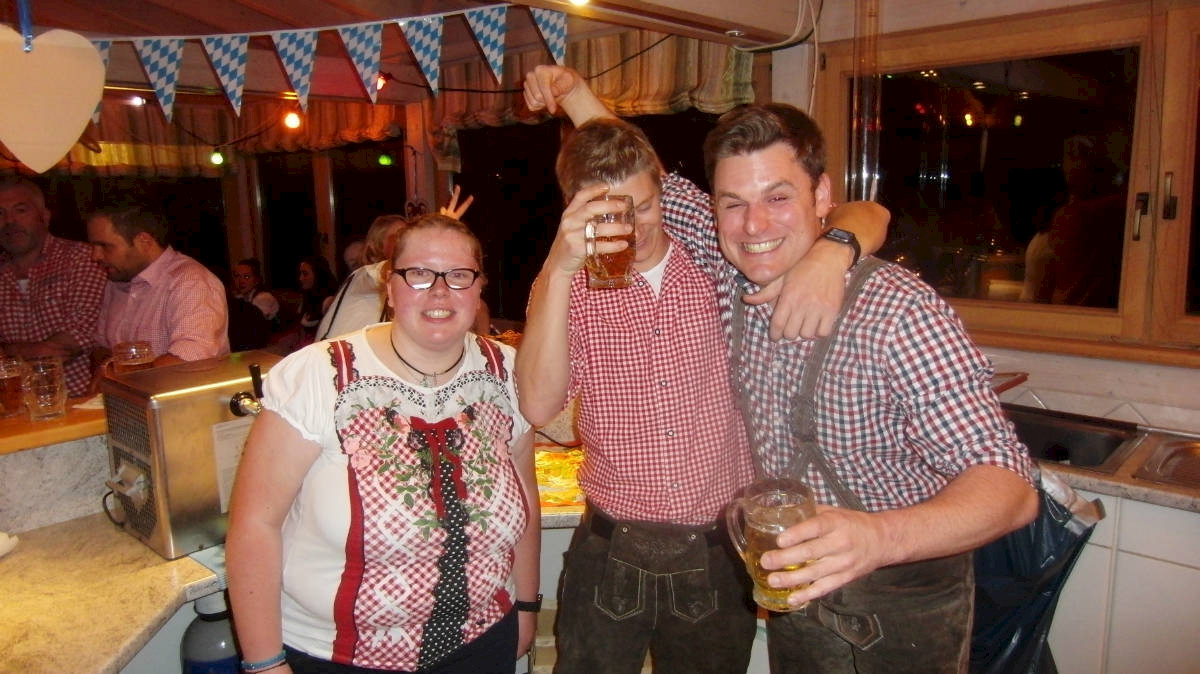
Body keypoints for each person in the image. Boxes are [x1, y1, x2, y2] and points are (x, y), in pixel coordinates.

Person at [518, 66, 889, 673]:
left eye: (643, 206)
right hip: (609, 545)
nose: (631, 228)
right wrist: (557, 270)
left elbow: (868, 211)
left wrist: (833, 251)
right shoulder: (569, 286)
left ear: (663, 192)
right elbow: (537, 406)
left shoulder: (717, 253)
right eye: (608, 213)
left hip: (716, 549)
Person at [679, 104, 1038, 672]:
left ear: (821, 196)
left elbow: (1012, 486)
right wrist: (572, 90)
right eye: (733, 203)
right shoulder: (730, 276)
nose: (754, 225)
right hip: (800, 599)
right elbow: (644, 179)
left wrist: (878, 538)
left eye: (778, 197)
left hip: (905, 600)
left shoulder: (899, 313)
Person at [226, 213, 540, 674]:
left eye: (458, 275)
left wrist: (527, 606)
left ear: (479, 289)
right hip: (334, 656)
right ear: (390, 288)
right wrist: (264, 663)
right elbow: (255, 525)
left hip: (483, 642)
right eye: (419, 274)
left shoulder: (510, 373)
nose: (439, 291)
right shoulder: (317, 376)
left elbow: (526, 496)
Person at [87, 199, 229, 369]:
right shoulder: (117, 281)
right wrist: (106, 367)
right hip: (129, 387)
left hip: (177, 387)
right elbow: (100, 346)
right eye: (93, 246)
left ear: (144, 241)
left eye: (105, 246)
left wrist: (123, 374)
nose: (95, 256)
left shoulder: (190, 281)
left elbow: (191, 359)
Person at [0, 177, 106, 397]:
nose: (10, 221)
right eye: (0, 214)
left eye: (21, 210)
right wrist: (32, 351)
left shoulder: (81, 258)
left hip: (82, 403)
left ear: (45, 216)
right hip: (15, 408)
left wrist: (7, 352)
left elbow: (74, 340)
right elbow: (44, 351)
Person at [315, 214, 408, 342]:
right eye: (398, 236)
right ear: (377, 244)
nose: (407, 241)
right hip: (341, 352)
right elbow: (379, 274)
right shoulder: (362, 277)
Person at [296, 255, 338, 345]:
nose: (301, 278)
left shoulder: (329, 301)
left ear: (318, 275)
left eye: (305, 274)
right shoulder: (307, 296)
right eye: (300, 274)